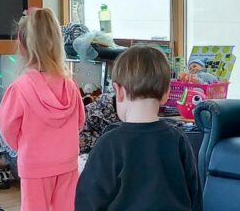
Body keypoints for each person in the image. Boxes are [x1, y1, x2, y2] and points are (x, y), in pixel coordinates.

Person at [75, 45, 202, 211]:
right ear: (166, 93)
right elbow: (195, 194)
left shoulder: (109, 143)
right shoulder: (179, 139)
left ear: (118, 91)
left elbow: (88, 200)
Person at [0, 8, 86, 211]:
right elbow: (79, 122)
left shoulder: (20, 88)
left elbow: (7, 127)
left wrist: (23, 146)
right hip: (67, 162)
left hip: (35, 165)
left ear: (21, 45)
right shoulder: (70, 85)